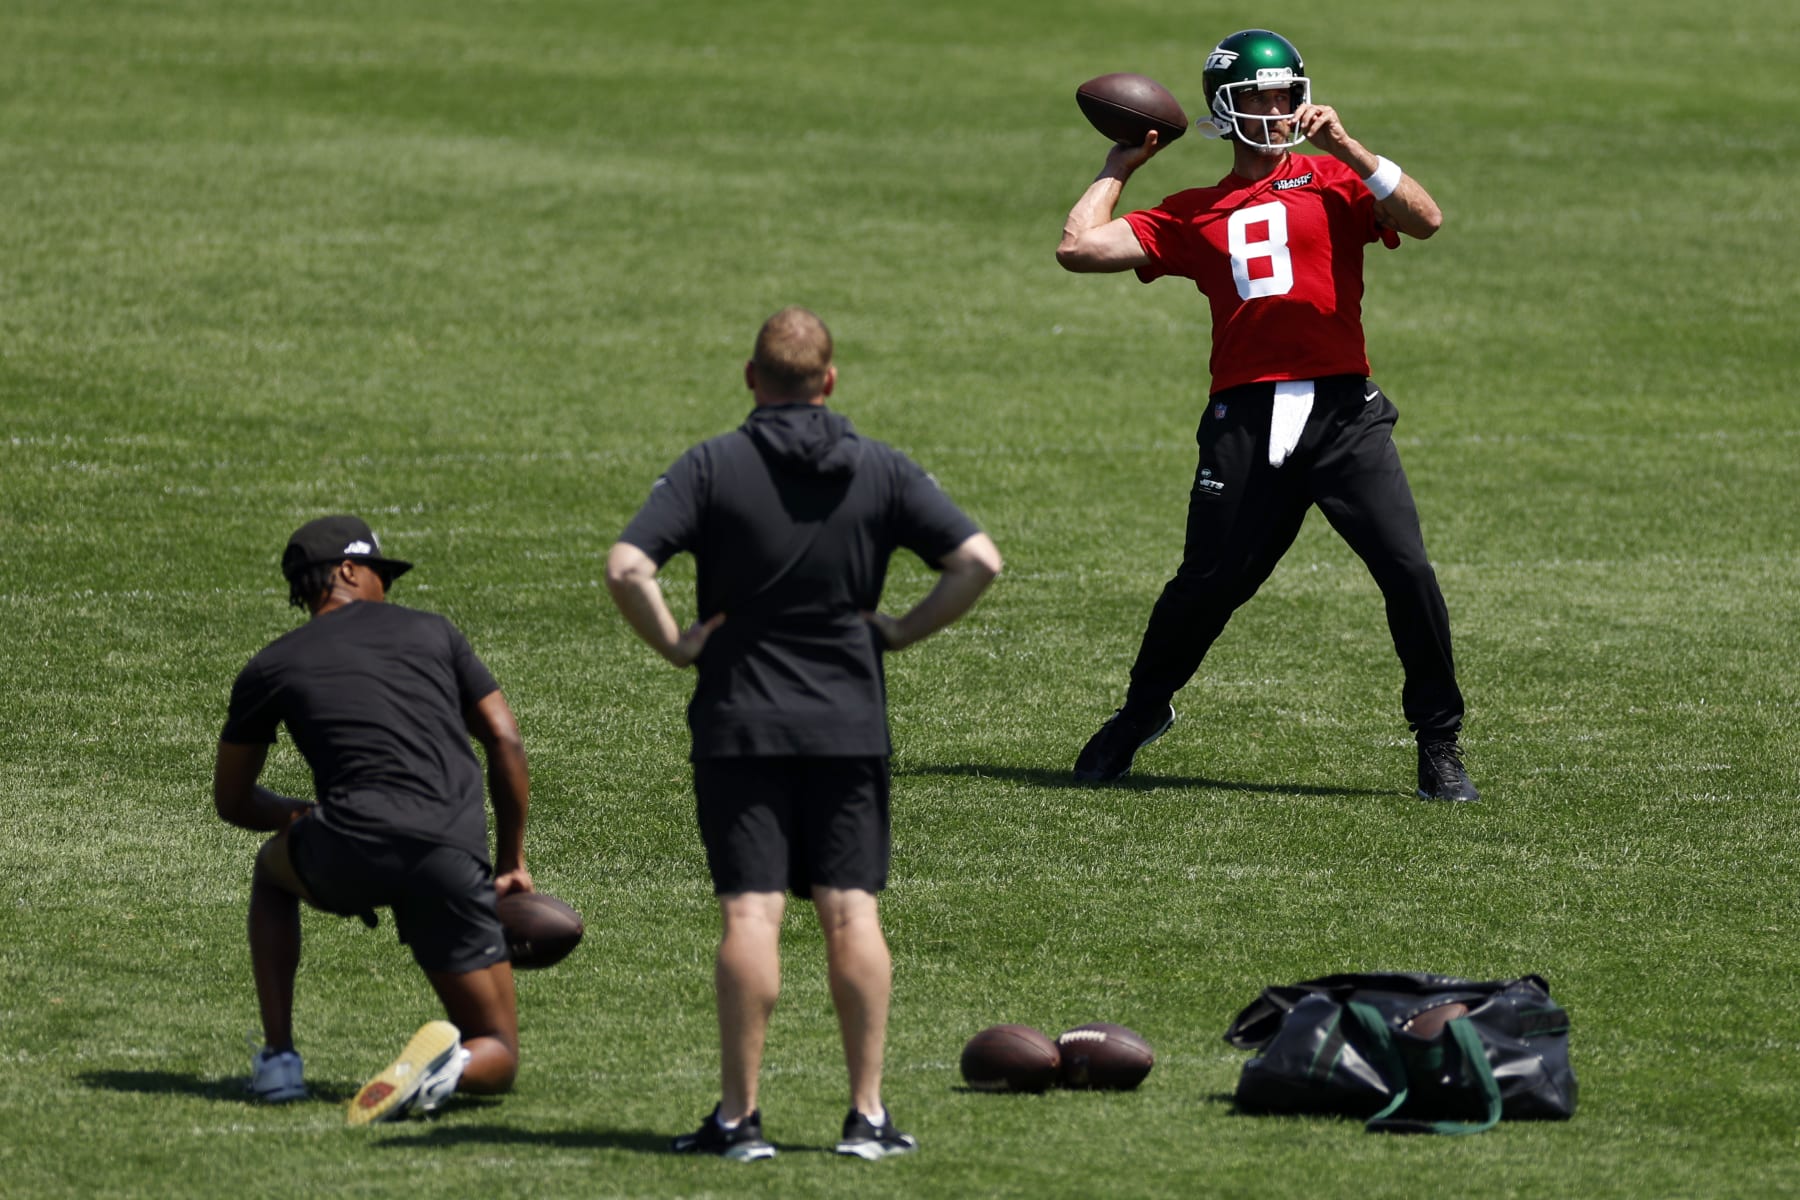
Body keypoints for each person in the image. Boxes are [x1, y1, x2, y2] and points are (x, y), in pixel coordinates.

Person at [606, 307, 1002, 1162]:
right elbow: (979, 560)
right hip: (848, 721)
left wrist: (676, 643)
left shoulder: (712, 466)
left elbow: (627, 566)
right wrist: (898, 630)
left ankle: (740, 1121)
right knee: (850, 911)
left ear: (752, 378)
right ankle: (865, 1118)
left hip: (739, 720)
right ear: (829, 382)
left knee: (751, 912)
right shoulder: (879, 467)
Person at [1055, 28, 1479, 802]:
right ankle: (1140, 713)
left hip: (1344, 411)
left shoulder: (1334, 179)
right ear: (1226, 108)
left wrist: (1350, 148)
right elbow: (1077, 249)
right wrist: (1120, 164)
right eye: (1260, 96)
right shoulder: (1193, 211)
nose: (1279, 110)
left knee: (1406, 570)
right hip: (1247, 419)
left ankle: (1439, 740)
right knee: (1206, 586)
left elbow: (1427, 220)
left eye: (1287, 94)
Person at [213, 514, 536, 1125]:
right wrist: (510, 863)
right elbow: (506, 739)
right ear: (347, 570)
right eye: (380, 573)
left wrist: (306, 819)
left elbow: (233, 802)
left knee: (271, 870)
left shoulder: (271, 665)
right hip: (448, 850)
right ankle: (453, 1066)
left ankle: (280, 1060)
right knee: (498, 1048)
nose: (387, 587)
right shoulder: (436, 633)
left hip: (346, 845)